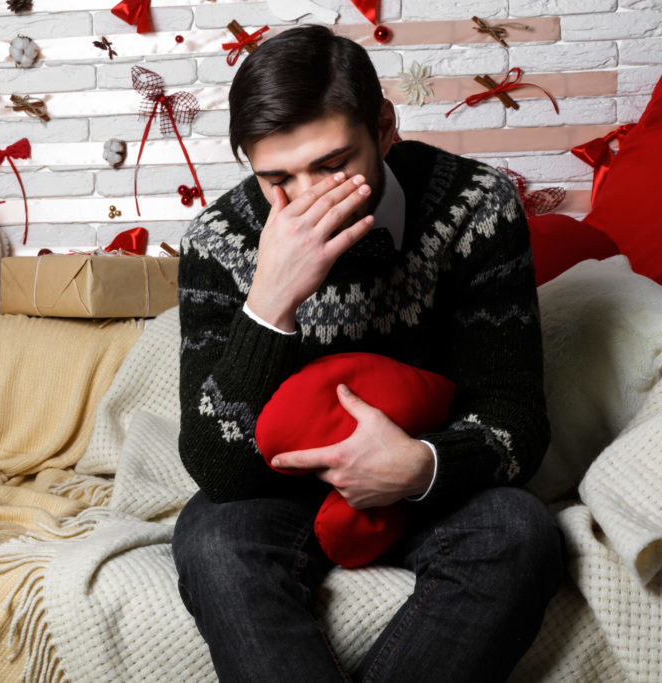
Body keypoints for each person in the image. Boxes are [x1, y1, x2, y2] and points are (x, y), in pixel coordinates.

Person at [171, 24, 565, 682]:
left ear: (384, 126)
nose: (309, 199)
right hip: (280, 489)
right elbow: (216, 471)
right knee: (211, 538)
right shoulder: (217, 238)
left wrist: (419, 465)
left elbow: (516, 415)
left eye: (332, 165)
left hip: (425, 483)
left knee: (521, 533)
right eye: (278, 179)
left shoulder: (476, 206)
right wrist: (269, 303)